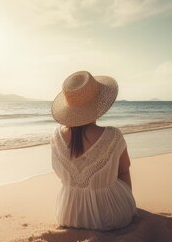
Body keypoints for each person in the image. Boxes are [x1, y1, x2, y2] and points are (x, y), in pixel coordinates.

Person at [50, 70, 137, 230]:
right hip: (112, 216)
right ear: (98, 102)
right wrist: (128, 203)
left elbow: (59, 173)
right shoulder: (113, 136)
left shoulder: (56, 136)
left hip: (69, 214)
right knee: (120, 176)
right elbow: (124, 171)